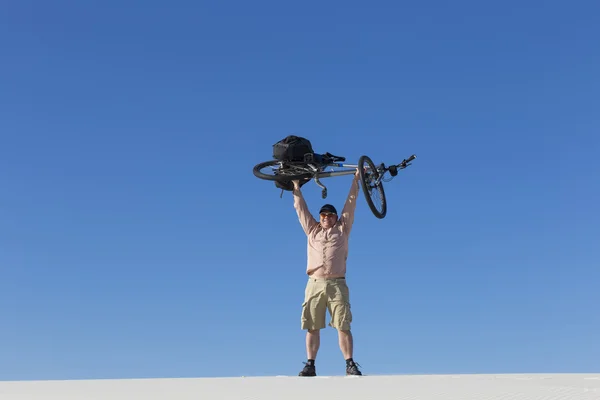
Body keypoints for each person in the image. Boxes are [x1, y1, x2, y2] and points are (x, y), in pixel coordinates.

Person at [291, 169, 363, 377]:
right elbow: (301, 209)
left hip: (337, 284)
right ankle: (310, 364)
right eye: (323, 214)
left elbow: (351, 203)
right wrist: (296, 187)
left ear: (335, 217)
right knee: (312, 326)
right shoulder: (312, 230)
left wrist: (356, 179)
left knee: (343, 324)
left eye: (330, 215)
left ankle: (350, 363)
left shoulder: (342, 229)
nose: (326, 218)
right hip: (314, 283)